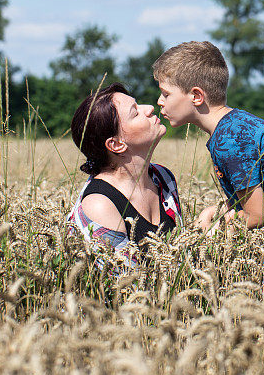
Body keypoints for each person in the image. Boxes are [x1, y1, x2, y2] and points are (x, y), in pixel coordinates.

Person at [153, 41, 264, 233]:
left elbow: (256, 216)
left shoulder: (229, 140)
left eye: (165, 94)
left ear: (196, 96)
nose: (159, 101)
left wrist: (208, 227)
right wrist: (218, 209)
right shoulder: (238, 125)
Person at [69, 83, 182, 264]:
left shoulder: (163, 177)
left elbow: (178, 256)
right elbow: (120, 283)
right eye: (135, 112)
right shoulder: (100, 204)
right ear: (116, 144)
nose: (150, 108)